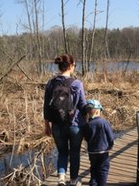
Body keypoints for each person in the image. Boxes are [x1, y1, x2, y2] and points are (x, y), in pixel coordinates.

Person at [43, 54, 87, 186]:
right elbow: (83, 106)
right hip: (75, 126)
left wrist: (47, 126)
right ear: (70, 65)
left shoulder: (51, 83)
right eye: (74, 65)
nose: (74, 67)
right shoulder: (77, 84)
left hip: (57, 125)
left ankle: (61, 178)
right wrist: (86, 122)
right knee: (75, 153)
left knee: (62, 152)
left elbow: (46, 106)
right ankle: (73, 181)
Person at [82, 100, 115, 186]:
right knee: (103, 169)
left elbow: (86, 138)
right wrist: (111, 144)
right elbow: (110, 136)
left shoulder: (87, 124)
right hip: (103, 151)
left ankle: (93, 183)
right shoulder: (103, 122)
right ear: (97, 111)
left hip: (92, 152)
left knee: (93, 168)